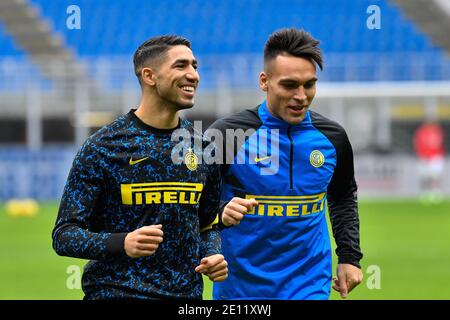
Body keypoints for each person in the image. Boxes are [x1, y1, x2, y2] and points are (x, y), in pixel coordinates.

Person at [52, 35, 228, 299]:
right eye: (181, 66)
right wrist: (121, 243)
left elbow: (207, 223)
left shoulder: (203, 147)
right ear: (149, 76)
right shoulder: (104, 146)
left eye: (195, 66)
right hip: (116, 292)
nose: (193, 75)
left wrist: (212, 253)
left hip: (186, 296)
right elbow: (64, 235)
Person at [209, 28, 363, 300]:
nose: (301, 96)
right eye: (290, 85)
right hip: (241, 290)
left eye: (309, 85)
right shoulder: (226, 136)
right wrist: (220, 212)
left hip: (309, 284)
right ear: (264, 81)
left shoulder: (332, 138)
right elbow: (193, 204)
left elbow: (342, 197)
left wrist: (350, 257)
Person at [413, 119, 445, 204]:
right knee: (424, 176)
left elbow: (437, 144)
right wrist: (422, 154)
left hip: (435, 157)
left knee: (435, 176)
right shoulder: (422, 132)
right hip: (424, 157)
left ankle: (435, 192)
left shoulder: (437, 132)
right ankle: (425, 192)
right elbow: (418, 144)